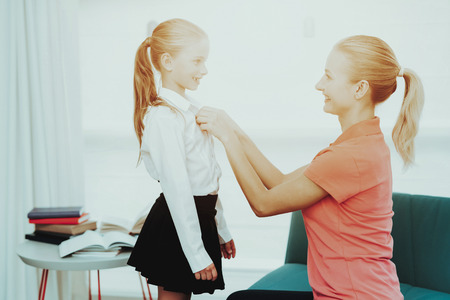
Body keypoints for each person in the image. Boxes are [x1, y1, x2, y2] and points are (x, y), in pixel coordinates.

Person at [196, 35, 424, 299]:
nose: (319, 85)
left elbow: (263, 203)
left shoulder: (349, 157)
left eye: (328, 76)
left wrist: (227, 139)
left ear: (359, 89)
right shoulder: (359, 145)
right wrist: (230, 125)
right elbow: (279, 182)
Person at [127, 18, 236, 300]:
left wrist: (220, 229)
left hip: (200, 218)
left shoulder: (192, 111)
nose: (204, 70)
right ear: (167, 61)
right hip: (179, 224)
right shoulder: (165, 118)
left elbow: (207, 179)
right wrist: (197, 254)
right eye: (197, 61)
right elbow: (178, 189)